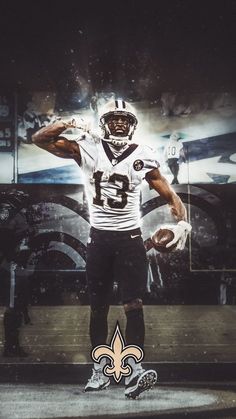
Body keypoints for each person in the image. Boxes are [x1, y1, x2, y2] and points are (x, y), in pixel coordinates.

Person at [32, 98, 191, 398]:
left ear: (132, 126)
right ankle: (99, 370)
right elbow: (40, 139)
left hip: (129, 239)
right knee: (98, 307)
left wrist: (182, 224)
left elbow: (171, 196)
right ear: (104, 123)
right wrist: (69, 122)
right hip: (99, 239)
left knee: (134, 304)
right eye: (114, 118)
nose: (119, 123)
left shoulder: (143, 154)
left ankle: (136, 370)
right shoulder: (87, 148)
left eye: (125, 119)